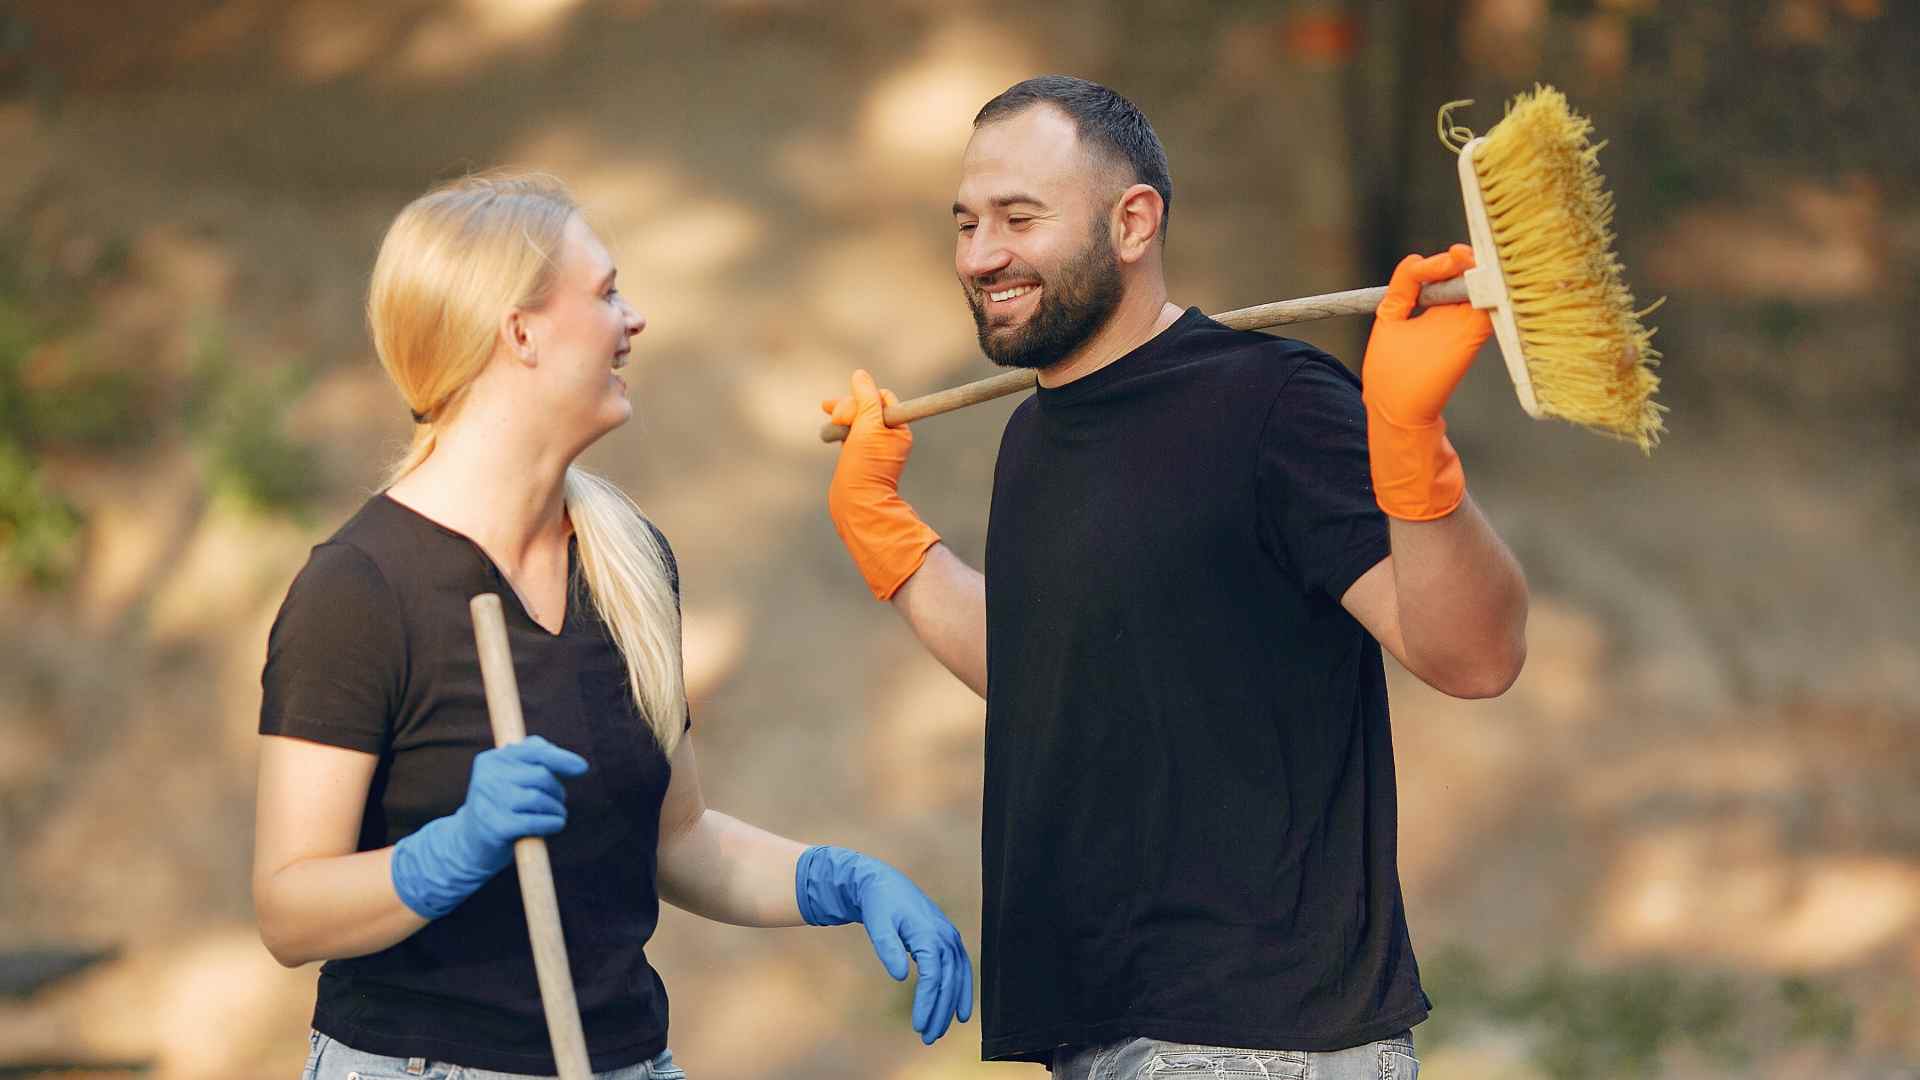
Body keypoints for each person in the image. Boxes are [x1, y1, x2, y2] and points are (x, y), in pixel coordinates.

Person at [821, 76, 1529, 1078]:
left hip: (1261, 1038)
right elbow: (1055, 676)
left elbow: (1476, 656)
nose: (980, 256)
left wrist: (1414, 448)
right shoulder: (1032, 440)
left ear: (1132, 222)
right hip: (1107, 1034)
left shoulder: (1275, 403)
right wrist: (889, 540)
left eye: (1019, 218)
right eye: (967, 223)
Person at [253, 173, 971, 1080]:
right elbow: (289, 911)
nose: (635, 320)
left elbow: (678, 838)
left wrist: (841, 879)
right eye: (605, 294)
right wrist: (446, 854)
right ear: (519, 332)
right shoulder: (359, 590)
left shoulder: (626, 560)